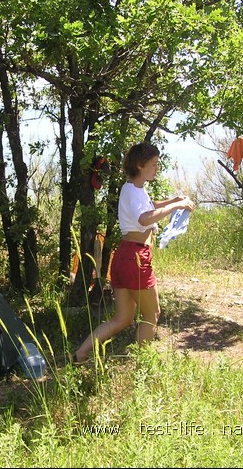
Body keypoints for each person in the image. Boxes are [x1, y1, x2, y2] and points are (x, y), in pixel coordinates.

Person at [73, 141, 196, 363]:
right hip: (136, 258)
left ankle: (81, 353)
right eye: (153, 164)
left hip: (123, 256)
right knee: (152, 314)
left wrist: (174, 200)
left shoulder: (133, 188)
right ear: (140, 165)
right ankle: (143, 363)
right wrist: (175, 208)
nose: (156, 168)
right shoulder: (132, 191)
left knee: (122, 318)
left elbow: (149, 206)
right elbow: (144, 218)